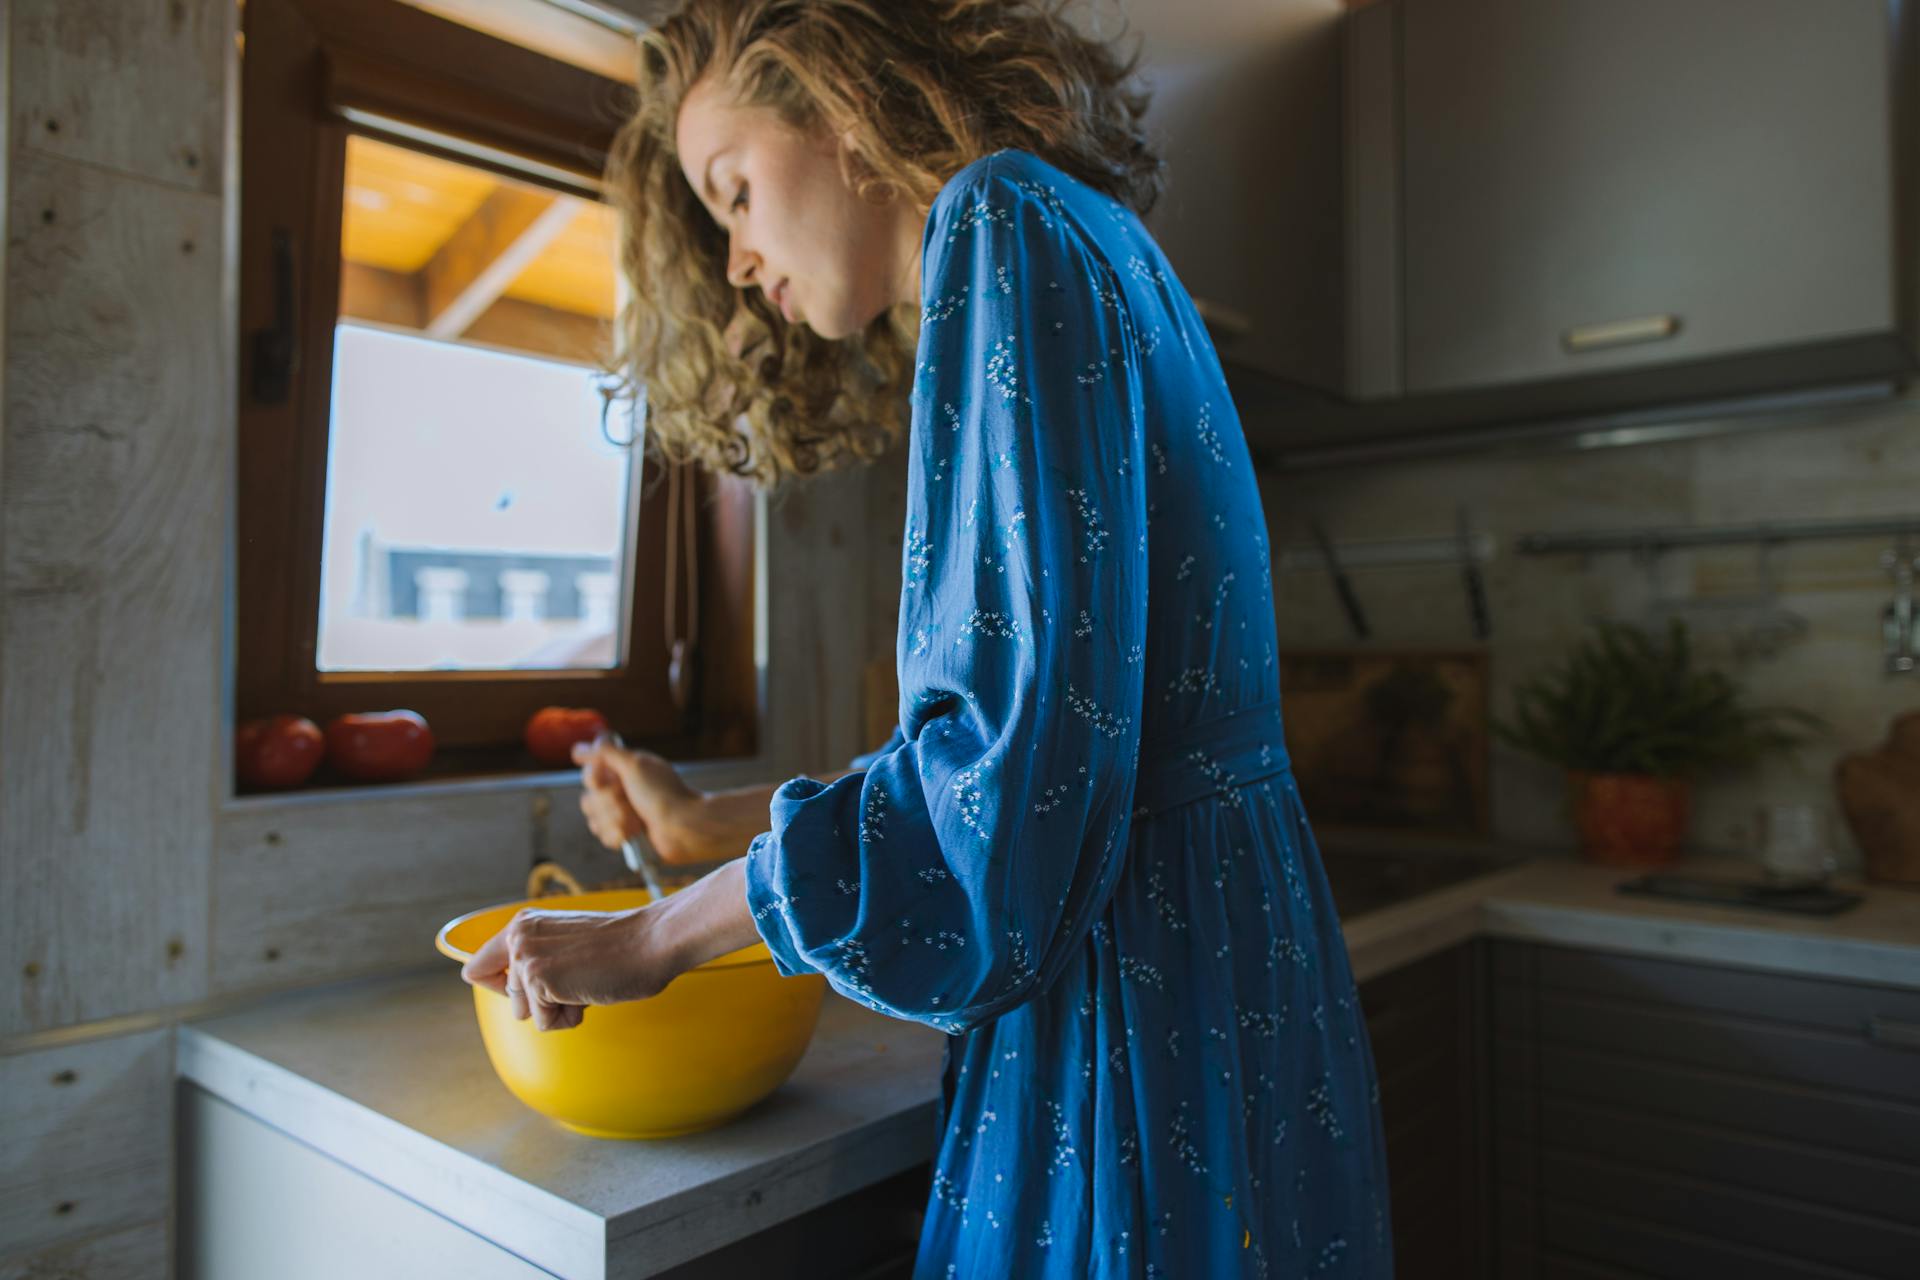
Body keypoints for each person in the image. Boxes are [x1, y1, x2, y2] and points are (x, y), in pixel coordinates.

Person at [460, 1, 1392, 1274]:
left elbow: (1004, 797)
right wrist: (710, 827)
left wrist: (647, 937)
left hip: (1139, 982)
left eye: (733, 192)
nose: (736, 260)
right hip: (1216, 951)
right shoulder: (1080, 234)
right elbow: (1050, 737)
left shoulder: (999, 221)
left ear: (841, 108)